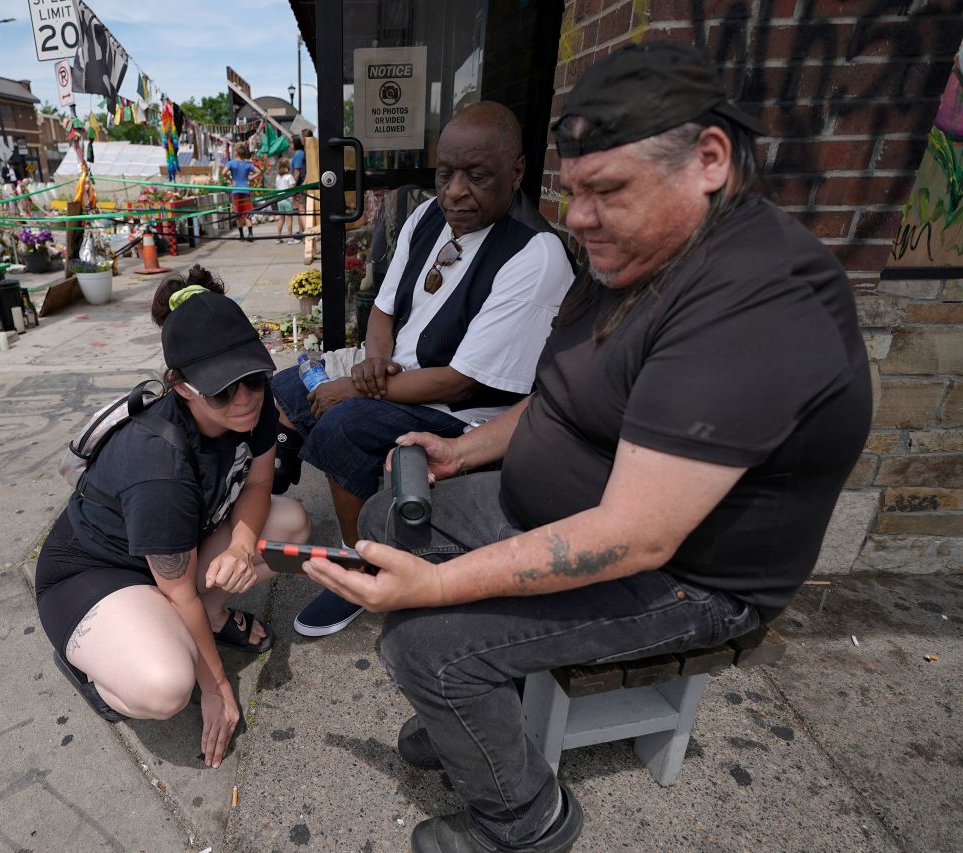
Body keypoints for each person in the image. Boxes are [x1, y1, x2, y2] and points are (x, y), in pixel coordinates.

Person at [301, 43, 872, 853]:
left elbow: (638, 534)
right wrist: (468, 452)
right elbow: (561, 395)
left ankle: (526, 816)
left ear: (708, 160)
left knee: (425, 637)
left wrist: (436, 589)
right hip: (572, 507)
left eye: (605, 191)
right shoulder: (646, 249)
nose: (576, 218)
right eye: (572, 192)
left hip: (686, 579)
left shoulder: (753, 304)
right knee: (402, 512)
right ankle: (475, 716)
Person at [271, 101, 575, 637]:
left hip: (467, 414)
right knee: (284, 389)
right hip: (399, 375)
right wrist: (372, 363)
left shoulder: (534, 255)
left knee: (344, 426)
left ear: (518, 171)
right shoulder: (428, 215)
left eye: (477, 177)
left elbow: (462, 380)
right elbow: (385, 309)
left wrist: (359, 392)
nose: (456, 191)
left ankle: (361, 564)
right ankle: (277, 481)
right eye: (445, 173)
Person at [34, 265, 311, 770]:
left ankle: (207, 619)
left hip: (173, 554)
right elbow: (178, 588)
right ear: (183, 388)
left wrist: (242, 548)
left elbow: (260, 484)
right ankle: (96, 665)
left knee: (287, 524)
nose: (245, 398)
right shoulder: (158, 465)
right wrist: (217, 686)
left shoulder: (255, 404)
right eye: (223, 390)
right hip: (93, 575)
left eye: (253, 376)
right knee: (165, 687)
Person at [222, 142, 261, 242]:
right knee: (247, 213)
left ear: (235, 152)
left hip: (236, 191)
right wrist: (251, 178)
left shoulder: (231, 163)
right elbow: (259, 171)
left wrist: (231, 180)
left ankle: (241, 235)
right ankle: (251, 234)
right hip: (246, 190)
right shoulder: (247, 165)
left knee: (238, 213)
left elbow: (223, 173)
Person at [274, 158, 298, 244]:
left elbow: (276, 188)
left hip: (279, 200)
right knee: (289, 219)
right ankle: (290, 238)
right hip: (288, 201)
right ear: (288, 166)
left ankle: (278, 237)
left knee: (281, 219)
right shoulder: (289, 177)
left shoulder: (278, 177)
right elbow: (292, 187)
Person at [290, 135, 307, 238]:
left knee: (301, 209)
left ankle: (303, 232)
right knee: (302, 209)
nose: (290, 144)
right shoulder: (302, 153)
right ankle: (301, 231)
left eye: (291, 142)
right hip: (302, 185)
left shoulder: (298, 154)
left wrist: (293, 186)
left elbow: (297, 172)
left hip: (300, 186)